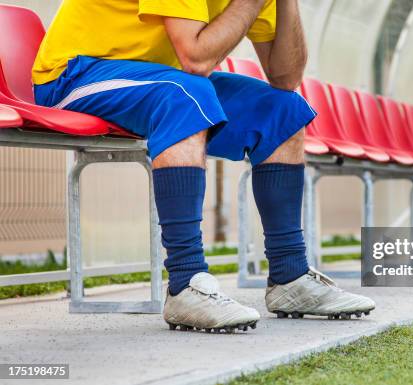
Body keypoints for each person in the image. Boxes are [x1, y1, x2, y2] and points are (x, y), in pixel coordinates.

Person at [32, 0, 375, 332]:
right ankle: (185, 283)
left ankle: (291, 276)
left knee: (282, 110)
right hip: (74, 75)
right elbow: (195, 59)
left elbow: (286, 76)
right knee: (184, 93)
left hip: (161, 77)